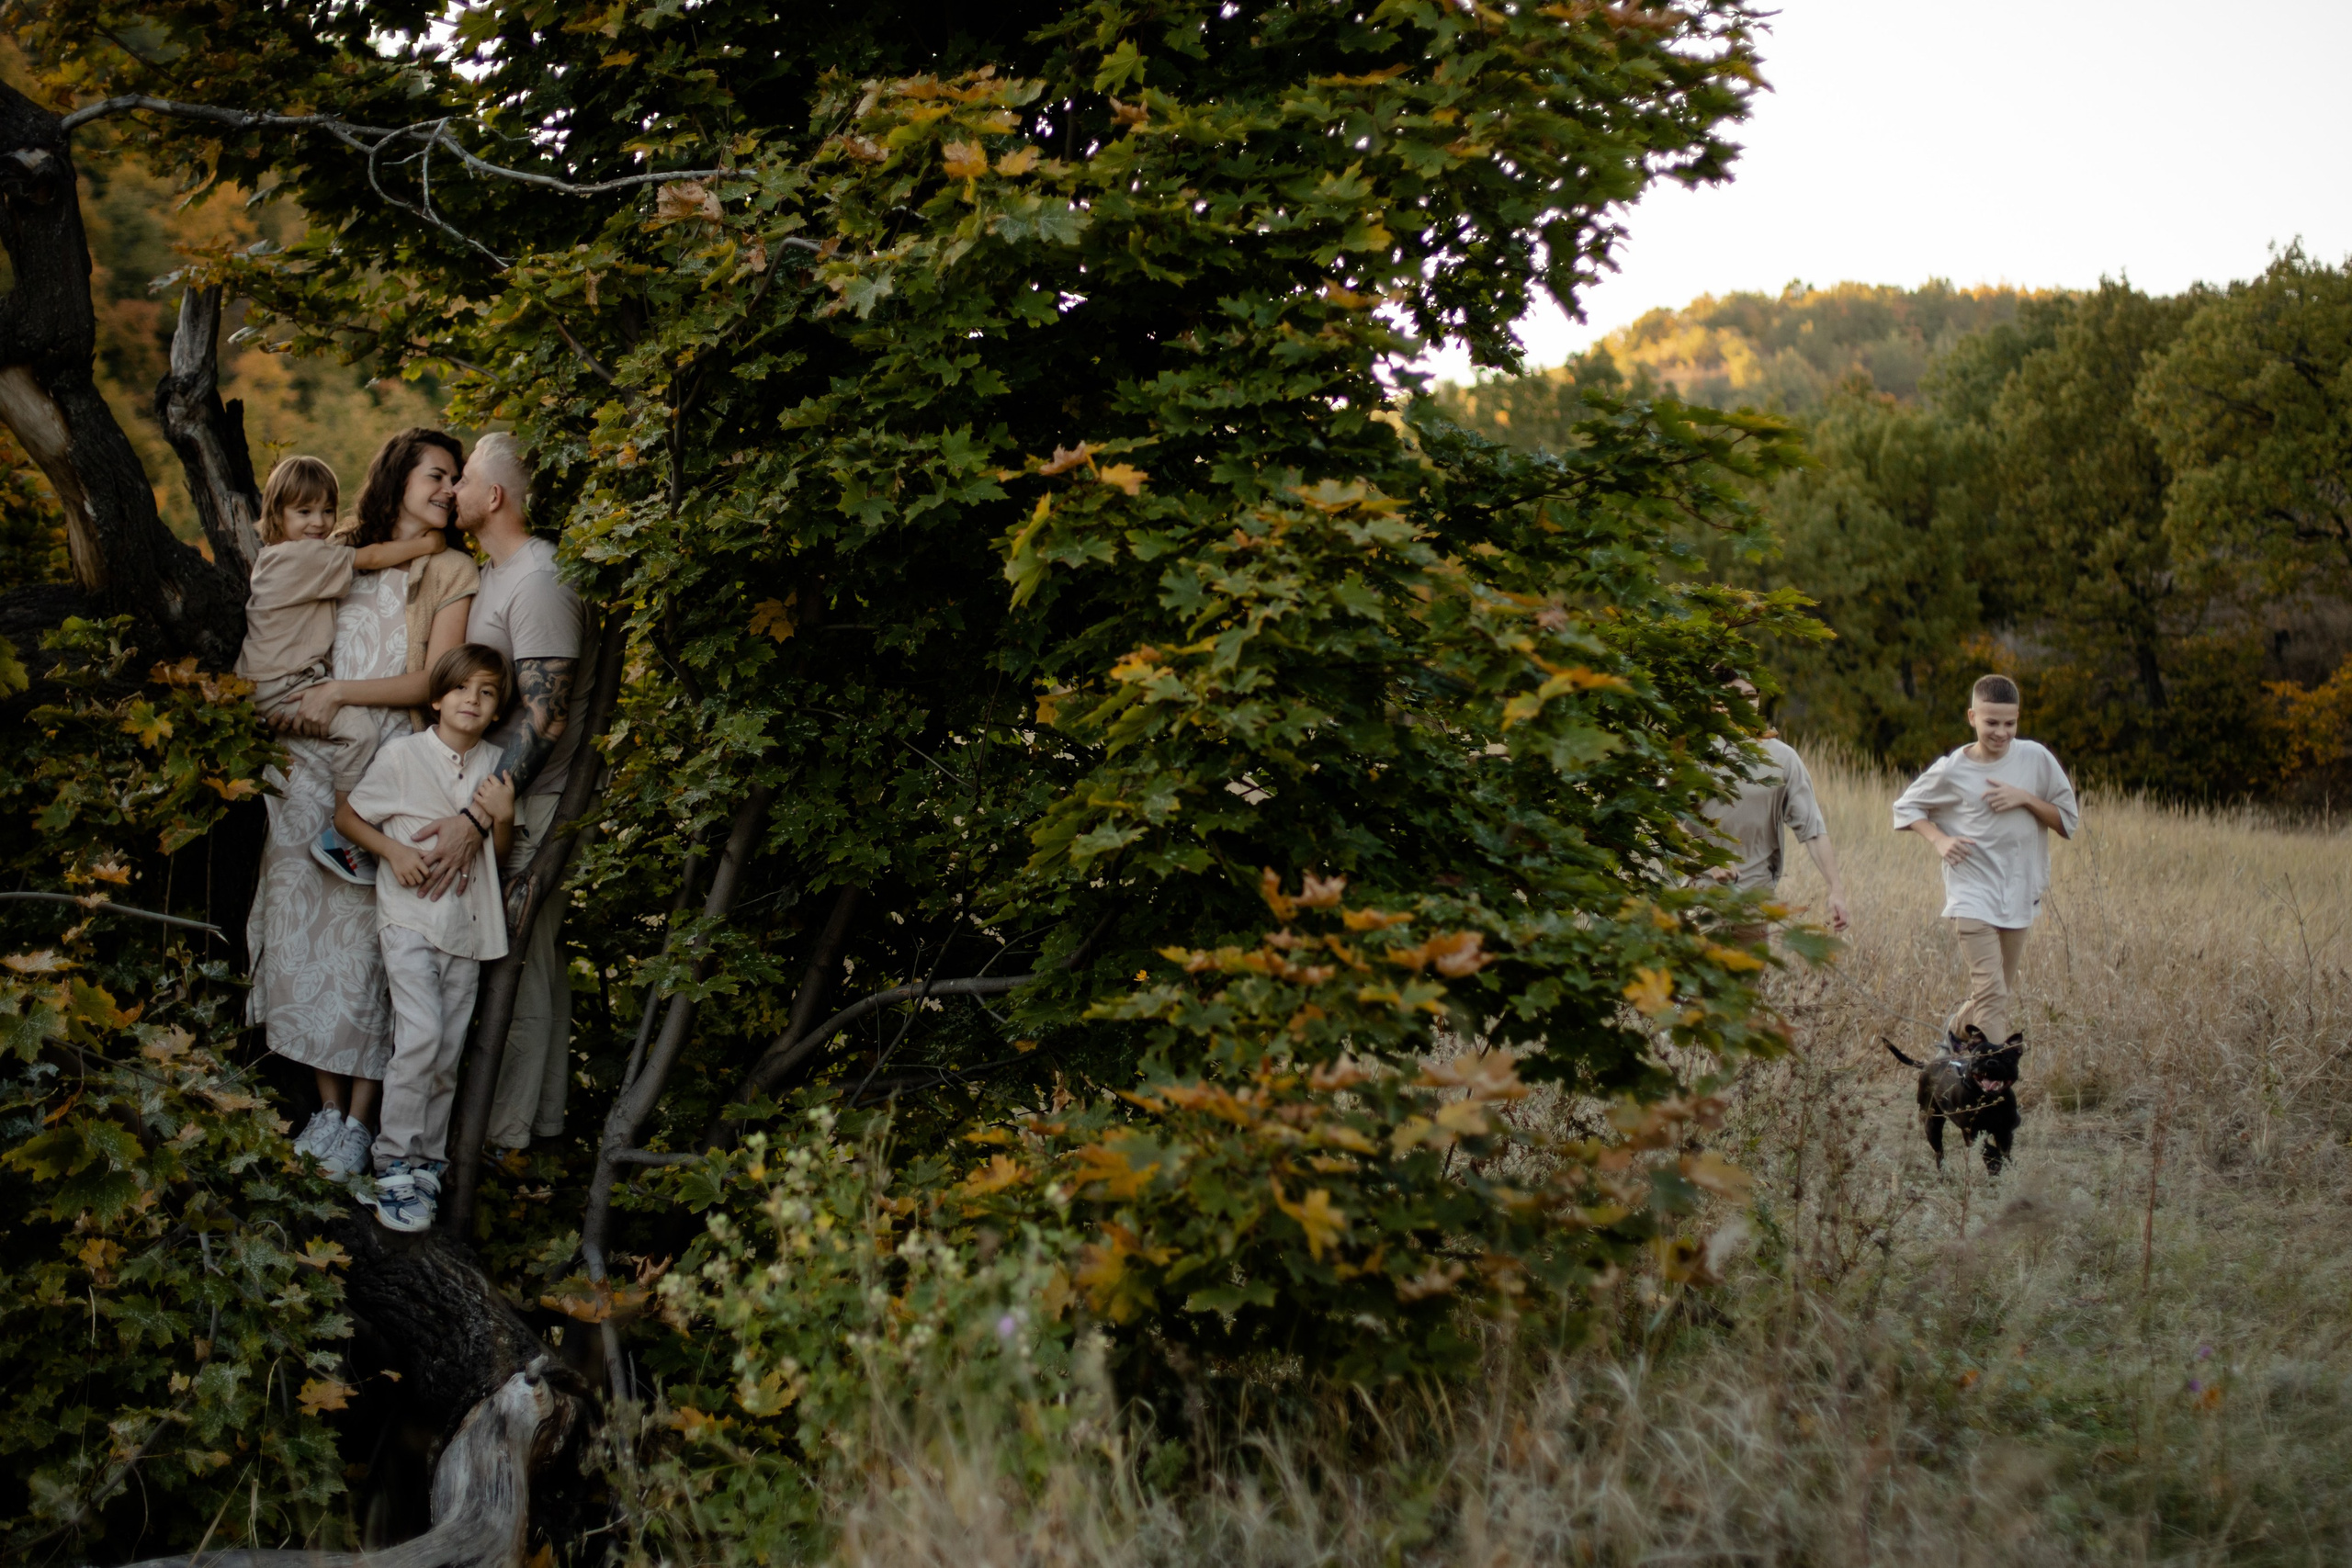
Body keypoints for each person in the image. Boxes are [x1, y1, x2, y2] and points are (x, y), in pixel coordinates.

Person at [254, 431, 480, 1178]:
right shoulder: (344, 547)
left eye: (456, 479)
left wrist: (338, 693)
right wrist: (295, 701)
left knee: (366, 950)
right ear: (398, 477)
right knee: (305, 938)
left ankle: (360, 1121)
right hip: (308, 758)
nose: (448, 489)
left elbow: (434, 681)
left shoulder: (451, 568)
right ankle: (324, 1110)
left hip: (382, 764)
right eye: (436, 474)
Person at [336, 646, 518, 1232]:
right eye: (461, 688)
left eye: (487, 692)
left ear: (498, 709)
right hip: (411, 920)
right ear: (437, 698)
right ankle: (390, 1163)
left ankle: (424, 1165)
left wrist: (504, 816)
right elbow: (347, 817)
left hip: (468, 929)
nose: (472, 700)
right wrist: (392, 851)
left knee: (444, 1054)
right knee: (420, 1037)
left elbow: (498, 857)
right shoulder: (403, 755)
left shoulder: (499, 766)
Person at [449, 432, 585, 1154]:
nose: (454, 491)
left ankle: (504, 1142)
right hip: (510, 801)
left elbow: (546, 716)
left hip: (532, 806)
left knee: (516, 968)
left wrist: (480, 813)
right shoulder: (496, 573)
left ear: (494, 494)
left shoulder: (539, 579)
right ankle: (539, 1127)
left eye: (465, 478)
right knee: (535, 968)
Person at [234, 456, 446, 886]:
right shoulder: (301, 557)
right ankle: (346, 828)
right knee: (361, 733)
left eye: (327, 510)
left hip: (269, 682)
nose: (319, 522)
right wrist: (427, 545)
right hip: (281, 684)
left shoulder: (279, 557)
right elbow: (371, 556)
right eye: (304, 511)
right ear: (277, 515)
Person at [1892, 672, 2080, 1044]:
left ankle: (1954, 1035)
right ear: (1972, 717)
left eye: (2010, 724)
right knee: (1992, 996)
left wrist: (2025, 798)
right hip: (1972, 894)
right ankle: (1998, 1076)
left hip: (2019, 892)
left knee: (1995, 995)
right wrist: (1939, 840)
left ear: (2018, 718)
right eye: (1992, 723)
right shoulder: (1953, 769)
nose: (2001, 733)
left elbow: (2067, 822)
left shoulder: (2036, 759)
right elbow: (1905, 807)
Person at [1702, 673, 1851, 935]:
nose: (1746, 704)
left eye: (1751, 696)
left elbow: (1813, 830)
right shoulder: (1694, 751)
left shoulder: (1783, 758)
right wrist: (1706, 858)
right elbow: (1666, 819)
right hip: (1697, 902)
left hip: (1754, 904)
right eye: (1735, 697)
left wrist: (1835, 889)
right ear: (1716, 700)